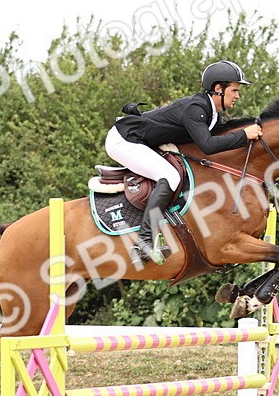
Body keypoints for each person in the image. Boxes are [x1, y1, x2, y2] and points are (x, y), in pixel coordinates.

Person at [105, 60, 263, 263]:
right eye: (234, 90)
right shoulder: (197, 108)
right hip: (124, 140)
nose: (237, 96)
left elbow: (219, 136)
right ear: (218, 89)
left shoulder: (212, 114)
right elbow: (208, 145)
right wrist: (244, 135)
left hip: (142, 140)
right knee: (169, 175)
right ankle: (143, 243)